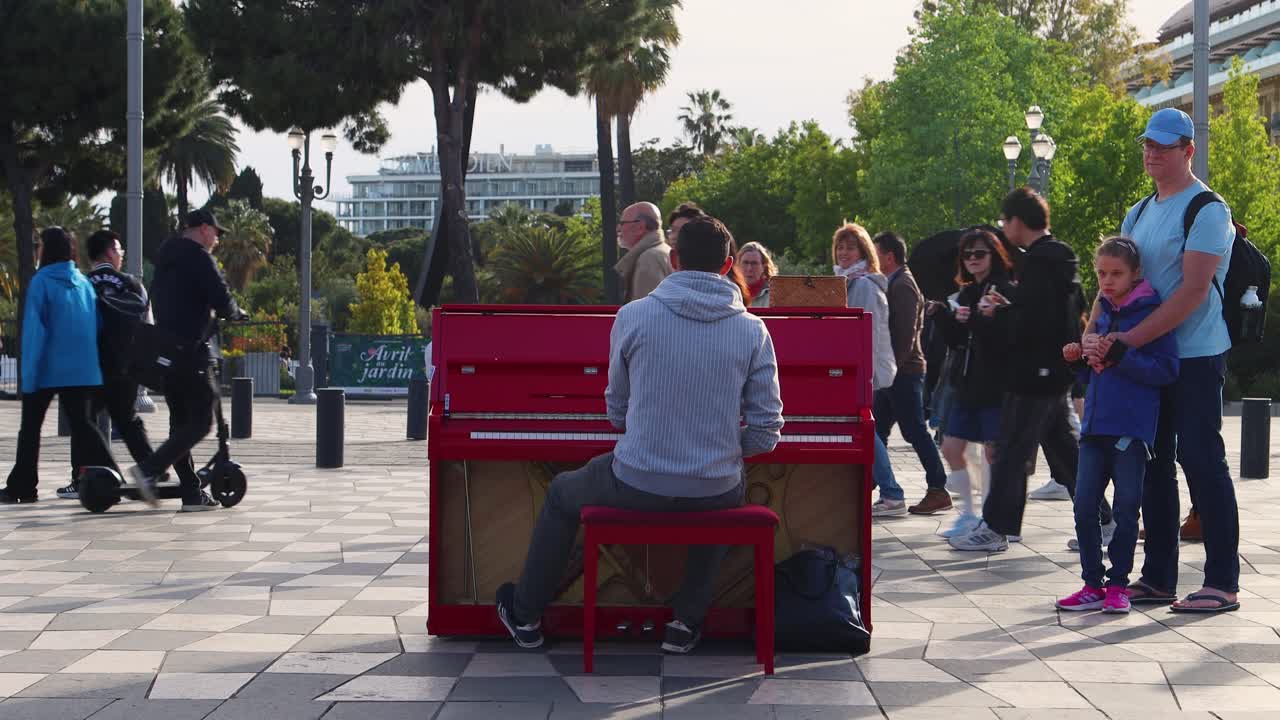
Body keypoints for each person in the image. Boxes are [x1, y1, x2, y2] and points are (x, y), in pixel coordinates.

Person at [495, 215, 783, 653]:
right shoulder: (753, 329)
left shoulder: (634, 316)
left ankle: (526, 614)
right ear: (728, 267)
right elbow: (765, 433)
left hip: (636, 480)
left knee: (562, 494)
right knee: (723, 489)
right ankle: (686, 623)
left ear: (674, 259)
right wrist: (719, 451)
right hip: (715, 488)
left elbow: (616, 414)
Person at [1091, 108, 1239, 612]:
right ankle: (1158, 577)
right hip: (1148, 358)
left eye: (1163, 146)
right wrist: (1092, 336)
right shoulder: (1138, 211)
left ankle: (1222, 581)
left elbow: (1193, 292)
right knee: (1152, 465)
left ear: (1188, 150)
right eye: (1147, 145)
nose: (1151, 153)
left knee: (1201, 460)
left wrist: (1125, 341)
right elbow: (1113, 280)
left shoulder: (1208, 210)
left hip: (1195, 355)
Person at [950, 187, 1111, 552]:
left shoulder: (1043, 261)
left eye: (1005, 221)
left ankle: (995, 528)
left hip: (1035, 371)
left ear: (1017, 222)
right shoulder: (1054, 258)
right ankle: (1104, 520)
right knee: (1064, 451)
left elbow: (1038, 319)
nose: (1004, 229)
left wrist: (998, 312)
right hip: (1050, 370)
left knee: (1011, 450)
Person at [1058, 238, 1177, 614]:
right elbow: (1097, 371)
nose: (1107, 281)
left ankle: (1118, 586)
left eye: (1116, 274)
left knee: (1127, 508)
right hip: (1095, 428)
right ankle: (1091, 583)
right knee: (1083, 506)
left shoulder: (1153, 313)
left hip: (1132, 429)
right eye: (1101, 273)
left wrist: (1121, 353)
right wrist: (1077, 358)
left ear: (1135, 274)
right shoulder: (1103, 311)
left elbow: (1166, 371)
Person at [130, 209, 244, 511]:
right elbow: (221, 297)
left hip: (165, 352)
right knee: (202, 422)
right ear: (204, 229)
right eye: (216, 233)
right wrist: (235, 312)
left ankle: (192, 493)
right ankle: (149, 470)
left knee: (180, 424)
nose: (217, 239)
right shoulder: (199, 258)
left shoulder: (166, 256)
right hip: (192, 352)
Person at [2, 228, 115, 503]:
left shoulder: (41, 282)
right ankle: (112, 476)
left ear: (45, 250)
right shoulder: (82, 282)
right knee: (85, 426)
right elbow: (97, 325)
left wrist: (28, 377)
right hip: (83, 370)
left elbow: (34, 334)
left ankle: (23, 487)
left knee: (30, 429)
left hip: (48, 370)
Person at [57, 230, 157, 500]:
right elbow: (149, 326)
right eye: (120, 249)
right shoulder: (132, 284)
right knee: (127, 420)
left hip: (91, 366)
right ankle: (151, 470)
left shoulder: (82, 283)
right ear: (110, 251)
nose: (122, 254)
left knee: (84, 421)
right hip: (125, 366)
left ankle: (82, 477)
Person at [933, 229, 1016, 536]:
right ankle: (967, 513)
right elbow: (957, 342)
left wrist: (978, 321)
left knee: (993, 452)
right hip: (967, 382)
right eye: (967, 255)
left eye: (979, 253)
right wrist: (943, 317)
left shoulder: (1004, 290)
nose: (972, 260)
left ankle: (993, 519)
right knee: (951, 446)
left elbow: (1004, 338)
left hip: (997, 383)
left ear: (994, 256)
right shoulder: (965, 294)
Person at [873, 232, 951, 516]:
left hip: (903, 371)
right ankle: (877, 485)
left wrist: (888, 370)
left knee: (914, 431)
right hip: (896, 370)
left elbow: (904, 336)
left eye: (875, 252)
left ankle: (938, 488)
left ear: (889, 256)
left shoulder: (903, 284)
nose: (872, 258)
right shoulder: (895, 281)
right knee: (876, 429)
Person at [832, 223, 906, 517]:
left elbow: (867, 333)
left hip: (862, 370)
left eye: (851, 247)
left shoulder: (862, 285)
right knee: (864, 429)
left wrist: (860, 373)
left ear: (863, 252)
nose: (844, 252)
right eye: (840, 247)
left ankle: (891, 493)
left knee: (864, 429)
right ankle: (881, 491)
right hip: (853, 369)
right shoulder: (846, 282)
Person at [615, 202, 672, 302]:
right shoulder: (663, 251)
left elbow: (648, 312)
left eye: (622, 223)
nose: (618, 228)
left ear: (640, 227)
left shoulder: (649, 259)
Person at [737, 241, 777, 307]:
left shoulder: (774, 296)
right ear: (738, 265)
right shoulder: (729, 293)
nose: (749, 268)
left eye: (754, 263)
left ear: (763, 267)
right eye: (745, 263)